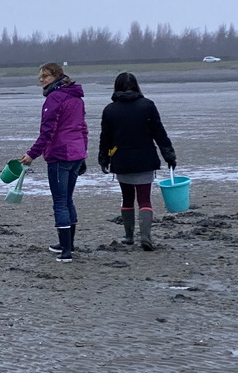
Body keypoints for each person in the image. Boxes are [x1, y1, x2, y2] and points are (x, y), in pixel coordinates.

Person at [98, 72, 177, 250]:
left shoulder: (110, 109)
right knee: (144, 200)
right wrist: (169, 155)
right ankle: (146, 237)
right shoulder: (147, 106)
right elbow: (159, 133)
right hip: (145, 159)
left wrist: (103, 158)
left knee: (127, 199)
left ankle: (129, 236)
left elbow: (106, 138)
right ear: (136, 86)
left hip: (121, 160)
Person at [20, 62, 89, 262]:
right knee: (67, 199)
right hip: (76, 154)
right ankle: (68, 244)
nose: (41, 80)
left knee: (60, 202)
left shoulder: (55, 98)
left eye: (46, 76)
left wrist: (32, 154)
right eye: (40, 76)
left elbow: (47, 132)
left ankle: (66, 252)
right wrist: (83, 154)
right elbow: (82, 128)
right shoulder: (75, 97)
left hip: (61, 155)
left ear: (57, 77)